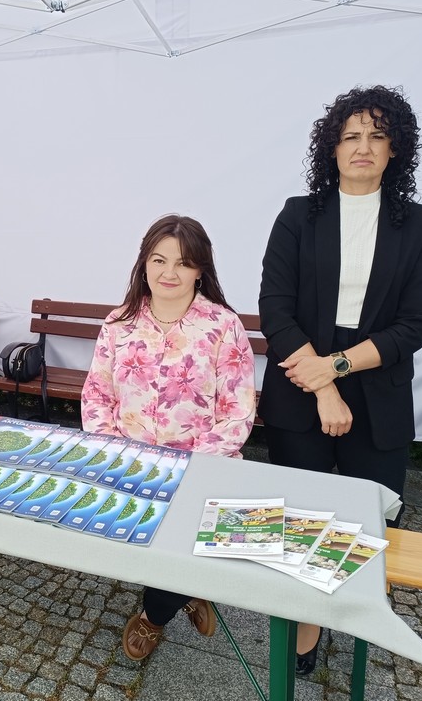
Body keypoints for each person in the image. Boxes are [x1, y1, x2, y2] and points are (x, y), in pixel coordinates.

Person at [258, 85, 422, 675]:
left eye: (377, 136)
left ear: (395, 149)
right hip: (300, 386)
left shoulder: (419, 225)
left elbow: (415, 324)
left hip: (378, 391)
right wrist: (323, 386)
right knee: (300, 519)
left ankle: (353, 610)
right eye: (351, 136)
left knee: (368, 524)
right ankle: (305, 625)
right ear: (332, 149)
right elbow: (274, 310)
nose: (363, 146)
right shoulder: (298, 215)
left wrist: (336, 367)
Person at [81, 214, 256, 661]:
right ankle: (192, 590)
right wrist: (115, 450)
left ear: (201, 269)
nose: (169, 273)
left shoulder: (223, 326)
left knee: (180, 542)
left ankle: (155, 615)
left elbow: (237, 412)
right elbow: (98, 395)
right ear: (143, 263)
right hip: (130, 461)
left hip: (201, 467)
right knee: (137, 541)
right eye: (159, 260)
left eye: (183, 262)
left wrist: (186, 467)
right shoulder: (119, 323)